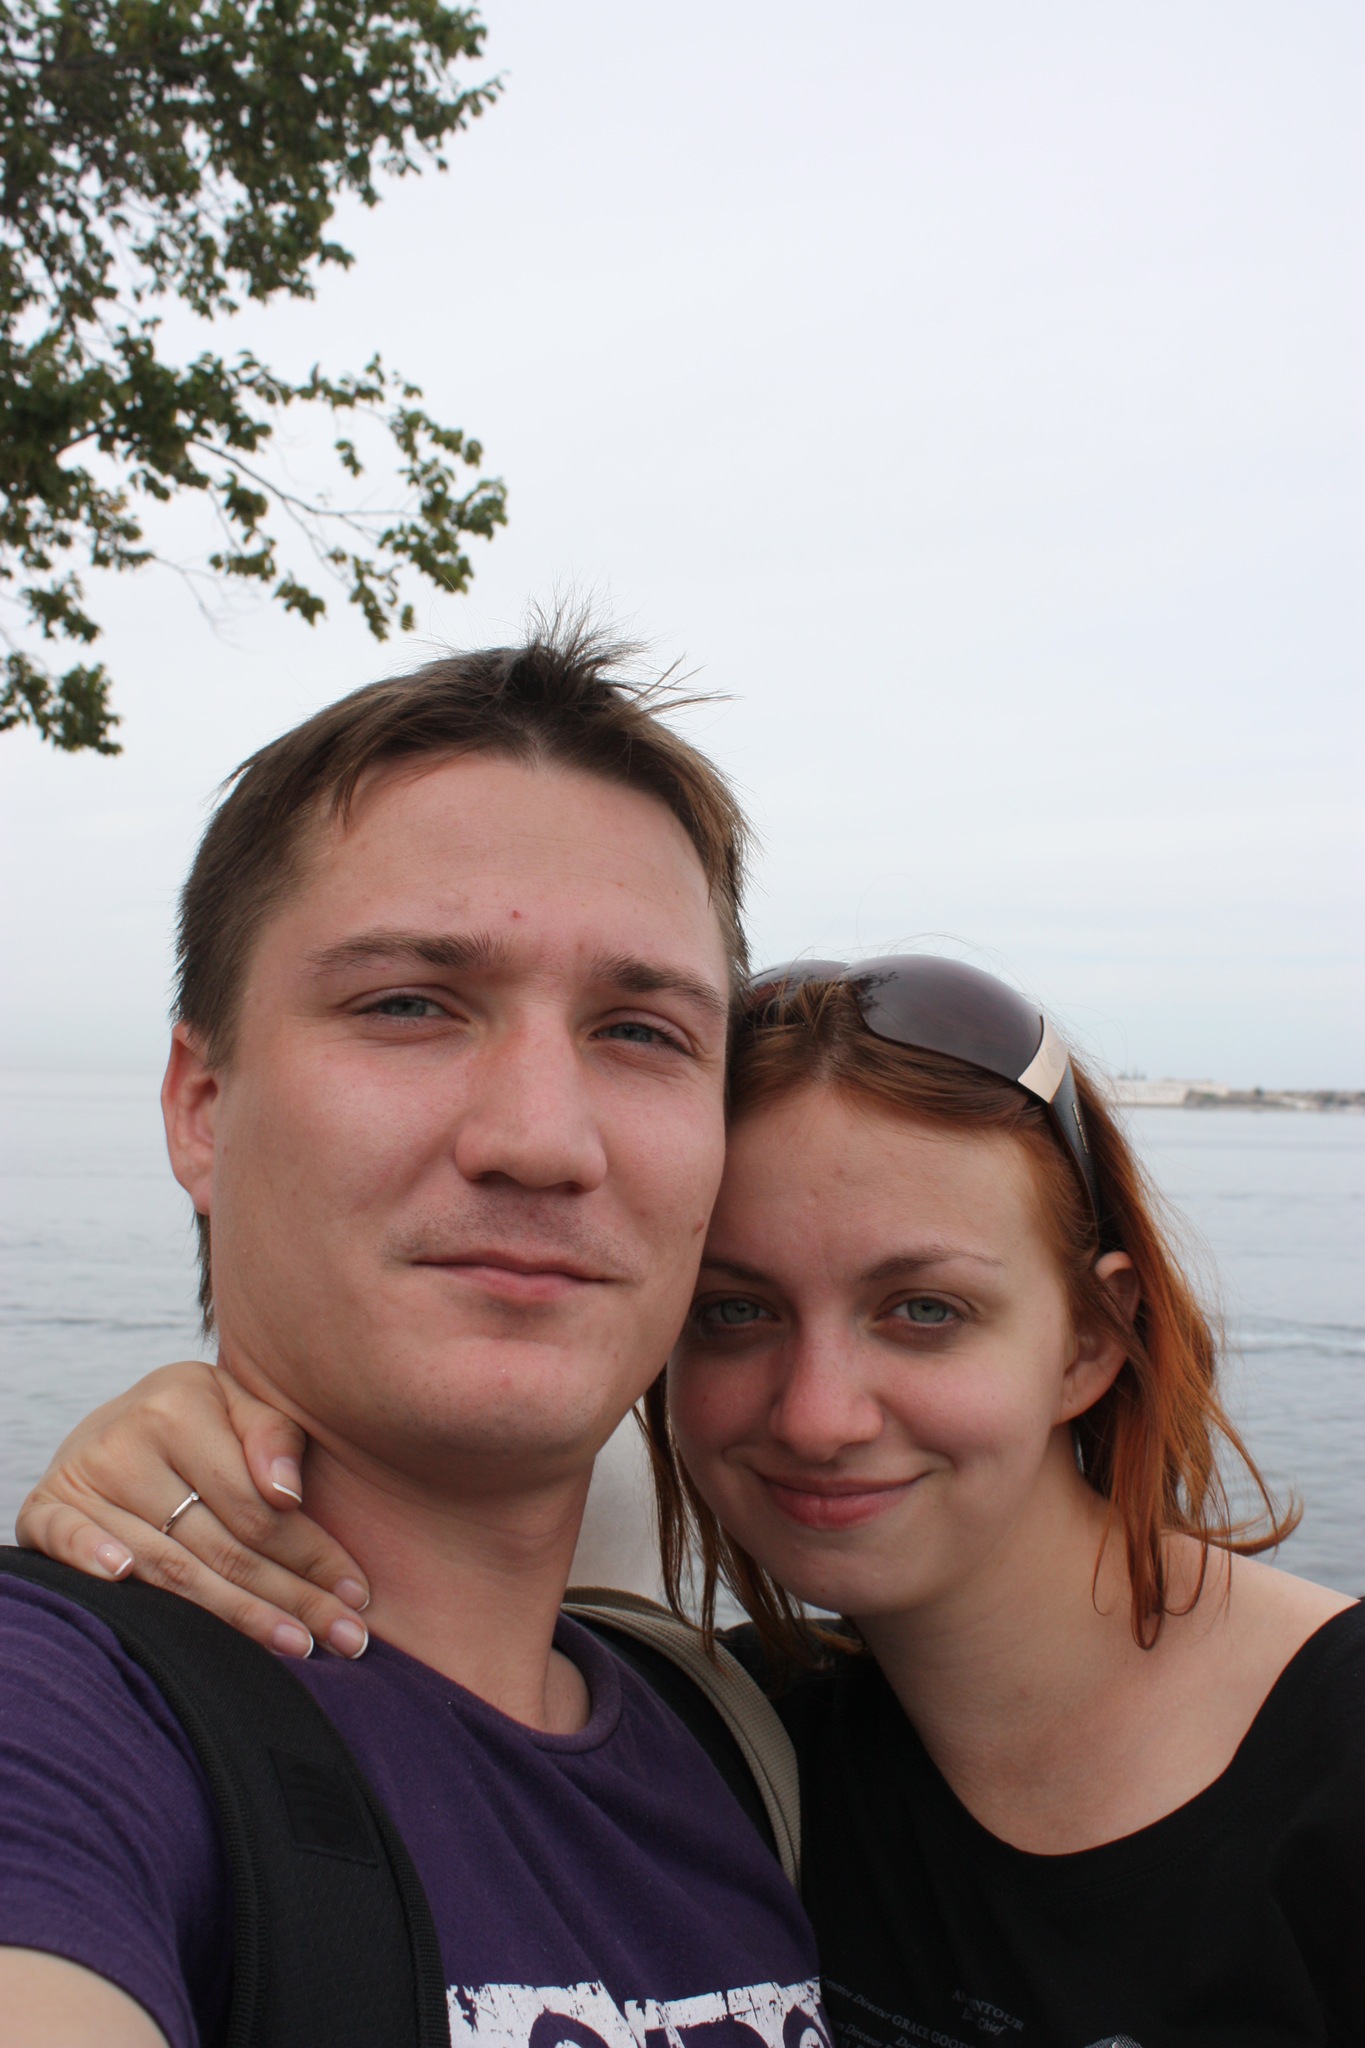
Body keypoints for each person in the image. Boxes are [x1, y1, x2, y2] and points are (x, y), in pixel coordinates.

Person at [26, 958, 1365, 2047]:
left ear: (1090, 1341)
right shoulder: (720, 1747)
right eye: (734, 1313)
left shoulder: (1334, 1763)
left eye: (923, 1311)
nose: (818, 1415)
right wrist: (179, 1460)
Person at [0, 623, 826, 2048]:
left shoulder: (743, 1744)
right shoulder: (63, 1725)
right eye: (406, 1005)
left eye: (640, 1031)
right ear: (202, 1109)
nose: (542, 1140)